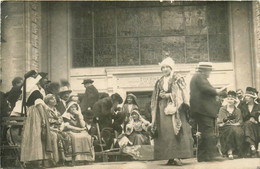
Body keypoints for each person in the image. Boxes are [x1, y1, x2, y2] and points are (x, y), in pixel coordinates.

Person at [151, 57, 193, 166]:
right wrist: (160, 96)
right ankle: (169, 156)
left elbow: (183, 92)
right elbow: (155, 96)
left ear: (171, 68)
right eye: (163, 67)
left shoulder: (177, 78)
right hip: (162, 109)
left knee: (176, 130)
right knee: (166, 132)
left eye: (167, 67)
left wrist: (169, 95)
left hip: (176, 108)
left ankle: (178, 156)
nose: (165, 69)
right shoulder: (159, 81)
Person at [189, 62, 225, 162]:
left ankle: (202, 156)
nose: (210, 73)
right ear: (204, 70)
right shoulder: (199, 77)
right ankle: (213, 155)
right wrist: (217, 91)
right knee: (208, 132)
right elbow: (206, 89)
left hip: (200, 110)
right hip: (203, 110)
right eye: (209, 71)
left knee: (204, 132)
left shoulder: (197, 77)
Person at [20, 72, 53, 168]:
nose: (46, 80)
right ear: (39, 80)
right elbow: (38, 104)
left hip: (36, 113)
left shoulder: (37, 89)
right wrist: (43, 119)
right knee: (37, 135)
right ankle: (36, 160)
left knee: (37, 135)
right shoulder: (34, 90)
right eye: (45, 78)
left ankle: (37, 160)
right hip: (36, 114)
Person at [44, 94, 73, 166]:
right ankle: (58, 159)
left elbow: (61, 120)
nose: (54, 100)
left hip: (58, 128)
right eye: (52, 99)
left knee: (67, 136)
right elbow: (47, 121)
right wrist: (56, 122)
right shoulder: (46, 110)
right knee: (58, 137)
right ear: (47, 101)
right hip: (50, 129)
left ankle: (67, 159)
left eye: (54, 98)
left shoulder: (56, 110)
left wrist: (60, 127)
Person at [217, 90, 244, 159]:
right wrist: (227, 122)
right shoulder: (222, 109)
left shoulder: (237, 110)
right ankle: (230, 151)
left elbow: (240, 121)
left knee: (239, 131)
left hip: (236, 126)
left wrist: (235, 124)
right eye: (228, 98)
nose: (230, 100)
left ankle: (238, 151)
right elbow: (221, 121)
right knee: (230, 130)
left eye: (232, 99)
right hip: (224, 127)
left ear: (234, 100)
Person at [238, 87, 260, 157]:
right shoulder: (242, 106)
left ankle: (251, 146)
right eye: (246, 96)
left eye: (248, 96)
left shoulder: (258, 106)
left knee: (249, 125)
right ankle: (252, 146)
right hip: (245, 125)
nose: (246, 97)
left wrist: (254, 118)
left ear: (252, 98)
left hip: (256, 125)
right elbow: (238, 114)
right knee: (247, 124)